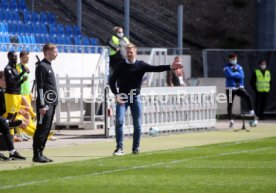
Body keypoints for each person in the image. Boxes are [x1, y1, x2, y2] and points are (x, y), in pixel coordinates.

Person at [109, 43, 183, 155]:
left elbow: (155, 68)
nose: (129, 53)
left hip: (136, 97)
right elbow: (111, 81)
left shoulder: (141, 65)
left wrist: (170, 67)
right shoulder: (120, 65)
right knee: (119, 121)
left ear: (135, 52)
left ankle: (136, 148)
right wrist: (116, 94)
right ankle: (119, 148)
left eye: (131, 51)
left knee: (137, 124)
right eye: (127, 51)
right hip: (122, 97)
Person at [33, 43, 58, 163]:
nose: (56, 53)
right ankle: (36, 154)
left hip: (52, 102)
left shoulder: (48, 65)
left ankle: (41, 152)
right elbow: (40, 87)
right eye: (54, 51)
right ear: (47, 52)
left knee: (47, 128)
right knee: (42, 128)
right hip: (46, 103)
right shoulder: (42, 66)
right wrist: (42, 105)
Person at [223, 53, 256, 128]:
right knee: (230, 104)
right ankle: (231, 121)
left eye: (235, 59)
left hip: (239, 88)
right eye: (233, 59)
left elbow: (242, 75)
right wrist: (237, 73)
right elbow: (230, 75)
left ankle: (252, 112)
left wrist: (235, 73)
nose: (235, 60)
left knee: (248, 97)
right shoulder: (226, 67)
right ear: (230, 59)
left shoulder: (239, 66)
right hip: (230, 89)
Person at [0, 71, 26, 161]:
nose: (6, 82)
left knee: (5, 126)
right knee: (5, 124)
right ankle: (8, 123)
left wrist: (17, 111)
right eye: (4, 80)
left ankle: (12, 152)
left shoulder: (3, 91)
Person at [3, 51, 29, 122]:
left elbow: (17, 82)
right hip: (11, 94)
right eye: (13, 56)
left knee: (15, 114)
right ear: (9, 57)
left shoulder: (15, 69)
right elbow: (12, 81)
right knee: (11, 115)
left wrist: (22, 80)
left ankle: (9, 132)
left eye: (16, 56)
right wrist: (22, 72)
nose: (15, 58)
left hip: (17, 94)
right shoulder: (8, 68)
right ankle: (5, 130)